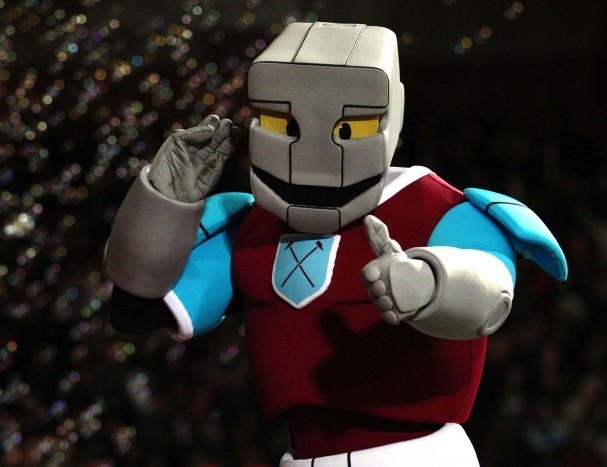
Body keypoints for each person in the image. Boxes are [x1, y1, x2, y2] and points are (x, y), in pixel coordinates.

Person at [104, 22, 567, 466]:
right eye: (281, 122)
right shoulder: (251, 225)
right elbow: (136, 309)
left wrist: (429, 283)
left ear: (391, 112)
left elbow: (489, 295)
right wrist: (163, 205)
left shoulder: (441, 210)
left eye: (350, 128)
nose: (311, 148)